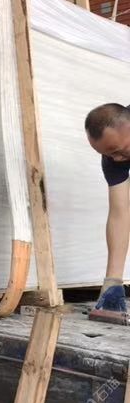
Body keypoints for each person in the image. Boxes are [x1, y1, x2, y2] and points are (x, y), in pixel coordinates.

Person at [85, 103, 130, 321]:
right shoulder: (112, 156)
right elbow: (120, 212)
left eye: (119, 151)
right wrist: (113, 281)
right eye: (107, 154)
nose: (116, 159)